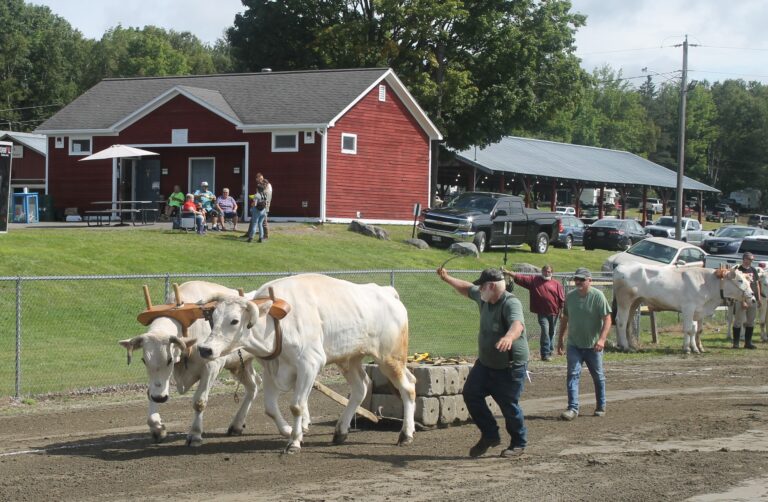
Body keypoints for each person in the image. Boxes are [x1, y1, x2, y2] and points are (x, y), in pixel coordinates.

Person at [437, 267, 529, 458]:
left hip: (509, 367)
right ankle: (490, 435)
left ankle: (519, 443)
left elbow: (517, 324)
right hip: (486, 364)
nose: (479, 289)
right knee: (471, 393)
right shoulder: (484, 298)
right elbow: (467, 288)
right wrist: (447, 278)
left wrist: (509, 338)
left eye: (482, 286)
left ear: (492, 286)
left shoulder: (510, 303)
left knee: (508, 405)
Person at [556, 267, 612, 421]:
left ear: (590, 280)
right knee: (572, 374)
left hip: (593, 345)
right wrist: (560, 339)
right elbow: (565, 319)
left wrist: (601, 339)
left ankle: (601, 405)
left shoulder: (598, 296)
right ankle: (572, 408)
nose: (578, 282)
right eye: (576, 279)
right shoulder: (570, 297)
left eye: (582, 279)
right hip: (574, 344)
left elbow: (607, 319)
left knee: (598, 376)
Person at [504, 265, 565, 361]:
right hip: (542, 312)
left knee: (551, 332)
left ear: (552, 272)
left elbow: (562, 299)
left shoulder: (556, 284)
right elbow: (520, 277)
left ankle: (550, 351)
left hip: (554, 313)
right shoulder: (534, 281)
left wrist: (561, 312)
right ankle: (545, 354)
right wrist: (508, 272)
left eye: (548, 271)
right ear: (542, 271)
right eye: (544, 271)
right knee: (545, 330)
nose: (546, 273)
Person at [733, 252, 762, 349]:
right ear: (744, 259)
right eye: (749, 259)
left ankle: (748, 343)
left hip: (752, 299)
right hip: (741, 299)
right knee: (738, 321)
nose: (751, 261)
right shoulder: (738, 270)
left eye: (752, 259)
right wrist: (742, 301)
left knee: (751, 321)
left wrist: (759, 298)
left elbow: (757, 284)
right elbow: (737, 287)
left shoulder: (753, 270)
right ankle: (736, 343)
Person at [255, 173, 272, 239]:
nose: (260, 180)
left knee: (264, 221)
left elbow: (267, 196)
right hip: (259, 205)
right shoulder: (259, 186)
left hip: (265, 205)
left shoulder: (268, 185)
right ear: (256, 179)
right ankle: (251, 233)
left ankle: (266, 236)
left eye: (261, 179)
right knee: (255, 221)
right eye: (259, 179)